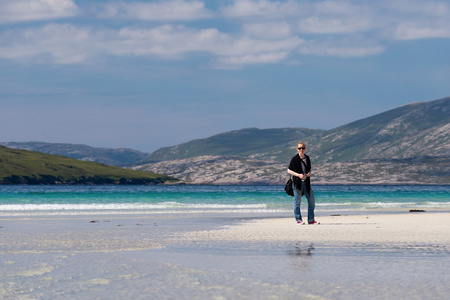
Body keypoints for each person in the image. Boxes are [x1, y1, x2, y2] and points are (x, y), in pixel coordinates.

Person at [287, 142, 318, 225]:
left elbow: (309, 169)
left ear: (305, 149)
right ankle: (298, 219)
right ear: (297, 149)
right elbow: (289, 170)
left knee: (311, 201)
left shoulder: (307, 158)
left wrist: (309, 173)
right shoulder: (294, 159)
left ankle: (311, 219)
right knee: (297, 202)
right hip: (297, 183)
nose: (301, 150)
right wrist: (298, 175)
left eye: (303, 148)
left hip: (306, 182)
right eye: (300, 148)